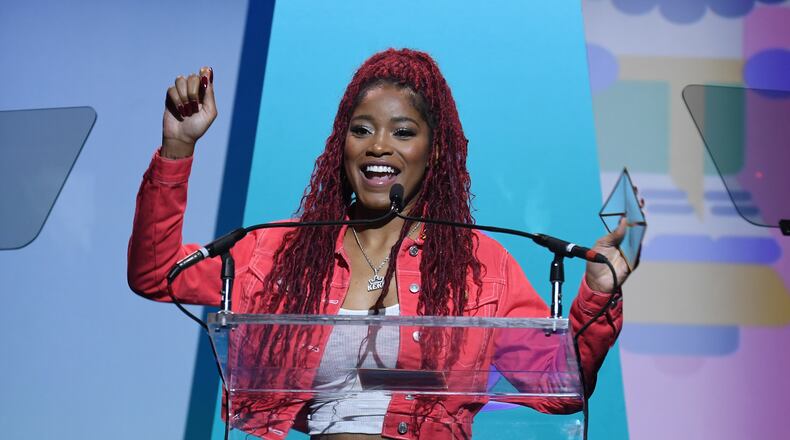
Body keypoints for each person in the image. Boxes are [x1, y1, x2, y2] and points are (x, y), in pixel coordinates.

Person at [128, 49, 633, 440]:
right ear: (340, 145)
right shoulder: (278, 252)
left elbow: (556, 386)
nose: (378, 146)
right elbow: (156, 275)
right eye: (362, 130)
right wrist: (178, 147)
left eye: (403, 131)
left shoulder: (481, 267)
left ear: (435, 151)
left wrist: (598, 295)